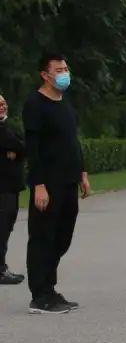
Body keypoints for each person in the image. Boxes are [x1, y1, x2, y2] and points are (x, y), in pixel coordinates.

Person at [23, 54, 90, 314]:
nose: (64, 73)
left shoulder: (65, 104)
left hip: (68, 180)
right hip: (48, 183)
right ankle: (39, 295)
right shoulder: (35, 104)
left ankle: (50, 288)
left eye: (66, 68)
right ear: (45, 74)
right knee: (43, 237)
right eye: (59, 69)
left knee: (62, 237)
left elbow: (72, 141)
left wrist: (82, 172)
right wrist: (38, 184)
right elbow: (33, 148)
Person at [0, 93, 26, 285]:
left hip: (12, 186)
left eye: (3, 103)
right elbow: (17, 144)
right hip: (3, 187)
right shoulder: (3, 130)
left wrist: (17, 150)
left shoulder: (9, 126)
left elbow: (25, 146)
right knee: (2, 227)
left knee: (7, 226)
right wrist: (17, 148)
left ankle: (2, 266)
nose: (2, 106)